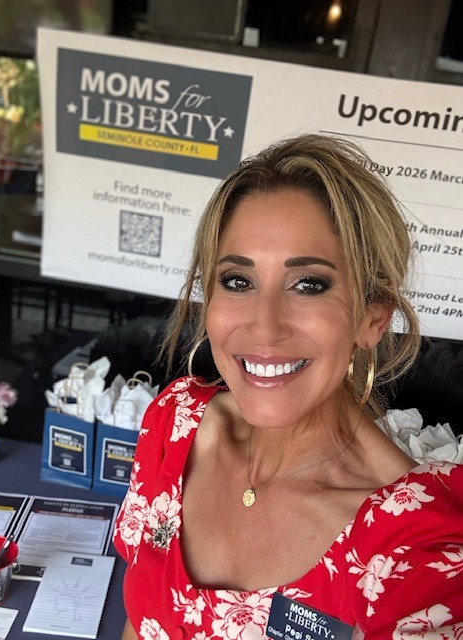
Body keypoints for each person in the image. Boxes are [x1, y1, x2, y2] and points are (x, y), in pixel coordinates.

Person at [113, 134, 463, 639]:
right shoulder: (175, 425)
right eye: (238, 281)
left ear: (372, 317)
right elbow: (141, 617)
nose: (265, 326)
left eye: (309, 285)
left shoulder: (417, 550)